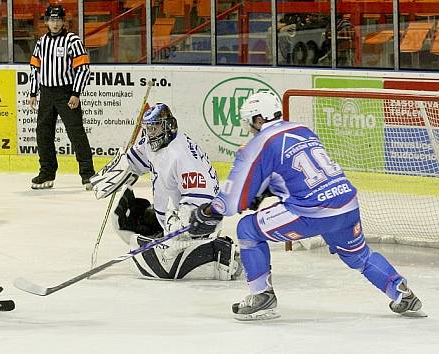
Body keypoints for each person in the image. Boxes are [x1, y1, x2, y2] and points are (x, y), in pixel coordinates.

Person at [189, 91, 426, 320]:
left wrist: (207, 212)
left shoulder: (259, 144)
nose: (250, 128)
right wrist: (270, 188)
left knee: (247, 229)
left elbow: (231, 200)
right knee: (359, 256)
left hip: (313, 211)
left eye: (251, 122)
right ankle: (402, 294)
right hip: (346, 203)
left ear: (259, 119)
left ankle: (261, 295)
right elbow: (298, 172)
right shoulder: (303, 130)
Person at [91, 103, 242, 280]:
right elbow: (135, 161)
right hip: (167, 220)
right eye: (148, 129)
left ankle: (217, 254)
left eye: (154, 128)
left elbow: (202, 203)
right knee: (125, 222)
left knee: (151, 267)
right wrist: (120, 170)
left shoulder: (182, 156)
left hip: (194, 227)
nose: (150, 134)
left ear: (168, 125)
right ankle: (171, 242)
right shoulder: (153, 142)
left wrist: (180, 228)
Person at [28, 4, 95, 190]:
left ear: (64, 21)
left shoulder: (72, 40)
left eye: (58, 20)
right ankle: (47, 172)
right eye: (51, 20)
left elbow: (83, 68)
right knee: (43, 133)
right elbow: (35, 68)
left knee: (76, 133)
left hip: (66, 93)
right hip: (47, 93)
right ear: (46, 21)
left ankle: (88, 174)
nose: (55, 23)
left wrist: (76, 93)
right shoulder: (41, 42)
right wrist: (33, 92)